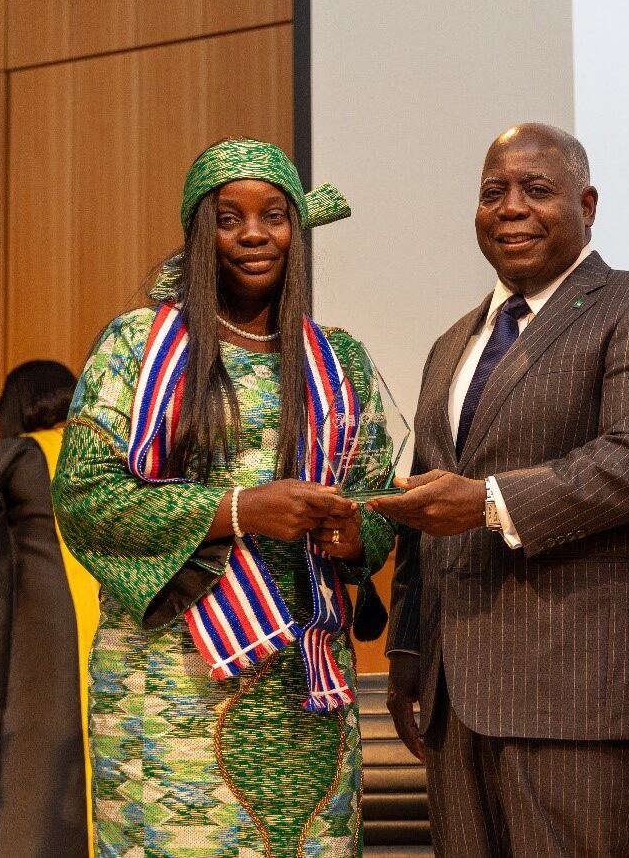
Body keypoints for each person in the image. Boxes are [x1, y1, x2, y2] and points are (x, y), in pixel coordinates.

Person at [369, 123, 629, 857]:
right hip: (454, 696)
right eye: (493, 193)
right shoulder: (452, 342)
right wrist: (406, 652)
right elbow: (429, 503)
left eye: (537, 189)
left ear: (588, 204)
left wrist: (491, 501)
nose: (511, 208)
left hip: (578, 693)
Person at [51, 138, 397, 856]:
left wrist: (358, 534)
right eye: (229, 217)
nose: (252, 234)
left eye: (273, 215)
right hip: (170, 678)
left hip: (307, 678)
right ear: (198, 230)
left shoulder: (339, 359)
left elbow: (376, 500)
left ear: (295, 232)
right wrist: (242, 510)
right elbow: (84, 496)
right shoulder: (136, 347)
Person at [0, 359, 94, 857]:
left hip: (43, 643)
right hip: (109, 638)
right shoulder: (100, 456)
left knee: (30, 774)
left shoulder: (21, 453)